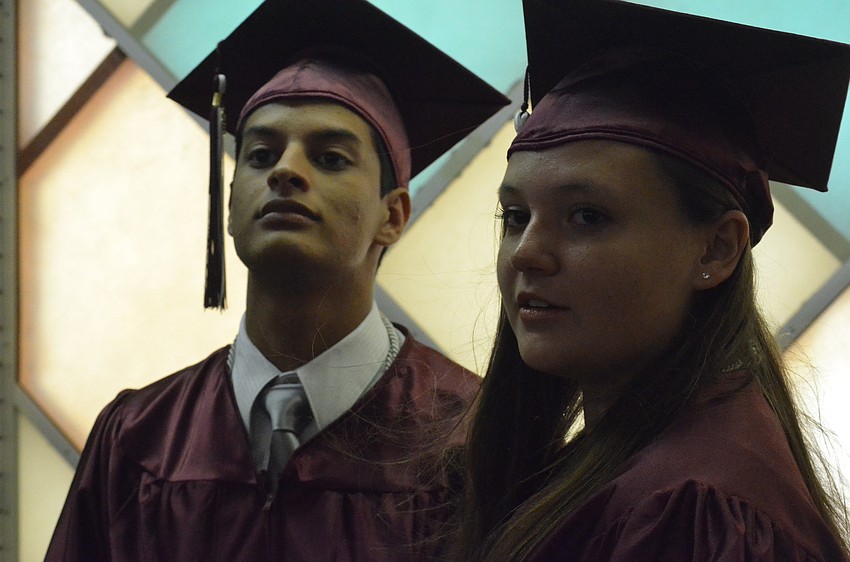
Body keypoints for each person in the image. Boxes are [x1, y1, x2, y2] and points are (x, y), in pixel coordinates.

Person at [46, 1, 508, 560]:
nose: (286, 170)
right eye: (262, 155)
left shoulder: (472, 441)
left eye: (330, 158)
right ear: (230, 206)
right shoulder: (137, 440)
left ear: (393, 215)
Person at [455, 0, 850, 560]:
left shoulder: (697, 512)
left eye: (587, 216)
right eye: (516, 217)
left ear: (717, 248)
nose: (526, 254)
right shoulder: (624, 463)